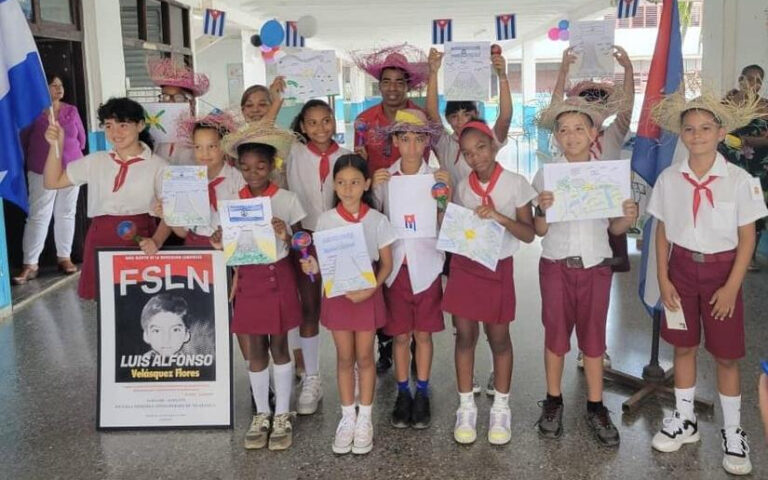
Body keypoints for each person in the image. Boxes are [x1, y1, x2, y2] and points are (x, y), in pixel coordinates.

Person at [647, 89, 767, 476]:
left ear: (720, 133)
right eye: (689, 129)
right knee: (683, 347)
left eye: (705, 128)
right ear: (681, 134)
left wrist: (732, 287)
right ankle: (685, 419)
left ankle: (733, 430)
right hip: (681, 270)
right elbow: (662, 231)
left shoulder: (739, 180)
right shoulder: (670, 179)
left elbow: (747, 238)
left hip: (722, 272)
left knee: (727, 355)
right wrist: (663, 278)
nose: (696, 135)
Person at [532, 99, 638, 446]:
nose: (571, 136)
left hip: (595, 266)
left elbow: (618, 228)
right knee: (556, 337)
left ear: (594, 133)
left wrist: (629, 215)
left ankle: (596, 406)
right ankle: (553, 400)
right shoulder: (547, 175)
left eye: (580, 129)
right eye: (564, 130)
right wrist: (543, 209)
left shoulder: (607, 174)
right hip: (556, 264)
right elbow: (540, 230)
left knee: (594, 340)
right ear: (556, 138)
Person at [425, 46, 513, 395]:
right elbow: (430, 112)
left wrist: (502, 74)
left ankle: (495, 371)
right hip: (458, 242)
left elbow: (506, 114)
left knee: (493, 316)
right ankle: (468, 376)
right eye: (455, 116)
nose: (461, 121)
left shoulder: (487, 141)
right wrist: (434, 72)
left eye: (467, 113)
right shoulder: (446, 146)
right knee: (463, 320)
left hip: (490, 240)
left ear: (478, 115)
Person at [442, 120, 536, 445]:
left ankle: (501, 408)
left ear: (493, 146)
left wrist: (500, 218)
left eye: (480, 148)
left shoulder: (515, 183)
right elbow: (455, 227)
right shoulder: (462, 185)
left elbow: (528, 234)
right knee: (464, 336)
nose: (475, 157)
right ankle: (466, 406)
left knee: (498, 338)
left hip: (498, 268)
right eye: (467, 153)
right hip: (466, 267)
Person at [217, 121, 306, 451]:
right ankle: (262, 413)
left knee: (280, 348)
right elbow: (226, 240)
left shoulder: (286, 198)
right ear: (239, 168)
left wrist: (286, 234)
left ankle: (282, 413)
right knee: (254, 350)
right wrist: (218, 239)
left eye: (260, 166)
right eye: (245, 167)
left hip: (277, 276)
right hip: (248, 281)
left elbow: (303, 242)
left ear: (272, 166)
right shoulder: (232, 200)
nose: (253, 172)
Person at [300, 154, 395, 455]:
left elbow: (387, 264)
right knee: (344, 359)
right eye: (341, 183)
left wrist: (371, 289)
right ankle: (347, 418)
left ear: (366, 184)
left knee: (365, 358)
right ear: (334, 186)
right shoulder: (326, 220)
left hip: (367, 294)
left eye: (355, 182)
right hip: (338, 294)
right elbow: (321, 261)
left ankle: (364, 418)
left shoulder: (377, 220)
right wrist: (311, 266)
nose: (348, 188)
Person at [551, 45, 637, 369]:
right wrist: (562, 70)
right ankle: (571, 345)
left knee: (601, 288)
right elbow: (555, 109)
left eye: (600, 101)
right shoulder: (570, 135)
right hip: (571, 221)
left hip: (608, 218)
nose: (594, 106)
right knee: (570, 287)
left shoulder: (613, 133)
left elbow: (628, 108)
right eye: (587, 100)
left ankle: (594, 347)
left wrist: (628, 70)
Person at [41, 97, 168, 300]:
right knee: (106, 305)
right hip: (101, 239)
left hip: (141, 240)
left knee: (140, 300)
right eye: (109, 126)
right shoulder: (96, 161)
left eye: (123, 125)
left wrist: (156, 241)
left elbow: (170, 213)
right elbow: (52, 181)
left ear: (141, 125)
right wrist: (56, 146)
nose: (115, 133)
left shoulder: (158, 165)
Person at [351, 43, 429, 373]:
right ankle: (389, 341)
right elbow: (358, 161)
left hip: (414, 202)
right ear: (379, 85)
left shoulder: (418, 118)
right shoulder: (364, 121)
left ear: (408, 86)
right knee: (382, 273)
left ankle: (413, 344)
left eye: (400, 81)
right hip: (376, 202)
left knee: (411, 272)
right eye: (387, 82)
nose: (393, 87)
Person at [371, 109, 447, 429]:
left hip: (428, 263)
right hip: (395, 267)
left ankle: (424, 390)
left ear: (427, 141)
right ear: (395, 142)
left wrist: (444, 198)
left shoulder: (438, 178)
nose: (412, 147)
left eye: (418, 139)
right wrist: (373, 188)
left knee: (424, 334)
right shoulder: (386, 178)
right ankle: (403, 391)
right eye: (405, 139)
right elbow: (375, 221)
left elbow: (444, 223)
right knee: (400, 335)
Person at [287, 99, 352, 415]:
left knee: (346, 304)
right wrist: (298, 235)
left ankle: (350, 367)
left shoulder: (347, 156)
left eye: (326, 120)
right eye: (311, 122)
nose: (320, 128)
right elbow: (288, 193)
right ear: (301, 126)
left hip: (341, 237)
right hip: (307, 237)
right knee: (310, 306)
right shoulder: (293, 154)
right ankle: (312, 376)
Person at [14, 73, 85, 284]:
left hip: (71, 169)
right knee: (39, 214)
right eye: (53, 85)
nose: (58, 88)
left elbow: (81, 140)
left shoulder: (71, 111)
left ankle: (64, 257)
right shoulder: (33, 113)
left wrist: (67, 155)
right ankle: (30, 263)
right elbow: (23, 140)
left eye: (60, 85)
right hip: (40, 169)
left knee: (66, 213)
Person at [164, 111, 243, 247]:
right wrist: (167, 214)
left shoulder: (238, 180)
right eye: (198, 147)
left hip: (230, 246)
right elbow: (183, 232)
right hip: (195, 247)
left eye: (211, 146)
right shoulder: (186, 180)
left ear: (224, 146)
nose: (204, 153)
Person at [718, 64, 768, 271]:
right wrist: (738, 97)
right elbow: (716, 128)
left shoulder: (765, 106)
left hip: (758, 167)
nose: (753, 84)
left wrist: (752, 141)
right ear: (740, 79)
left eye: (758, 80)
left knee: (756, 209)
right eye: (749, 79)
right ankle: (725, 252)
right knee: (727, 206)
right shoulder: (727, 102)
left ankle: (750, 257)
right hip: (730, 163)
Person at [147, 57, 210, 166]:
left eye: (178, 98)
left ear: (192, 103)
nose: (170, 103)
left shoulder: (202, 132)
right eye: (165, 97)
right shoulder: (151, 133)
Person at [140, 294, 191, 359]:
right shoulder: (139, 364)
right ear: (146, 336)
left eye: (175, 330)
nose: (166, 339)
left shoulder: (193, 364)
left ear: (186, 335)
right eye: (157, 331)